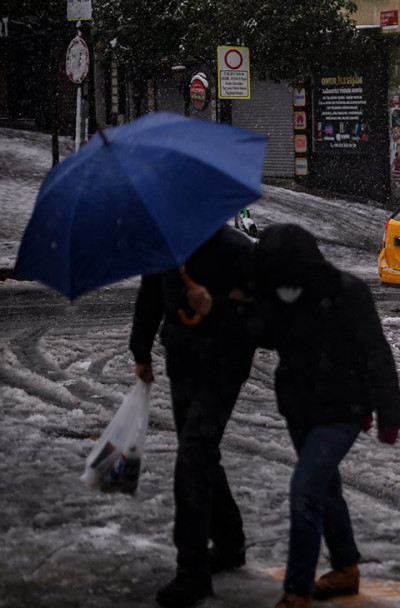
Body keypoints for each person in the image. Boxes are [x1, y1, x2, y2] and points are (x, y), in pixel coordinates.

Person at [251, 224, 400, 608]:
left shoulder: (349, 291)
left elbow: (377, 353)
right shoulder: (281, 293)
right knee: (325, 488)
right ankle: (346, 568)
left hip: (344, 409)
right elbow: (266, 336)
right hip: (299, 407)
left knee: (305, 490)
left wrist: (389, 413)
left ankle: (298, 590)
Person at [129, 226, 258, 607]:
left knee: (193, 457)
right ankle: (230, 543)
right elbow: (150, 295)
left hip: (223, 368)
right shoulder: (167, 246)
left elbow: (259, 315)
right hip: (182, 363)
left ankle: (192, 570)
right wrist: (141, 350)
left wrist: (215, 305)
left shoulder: (237, 250)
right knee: (200, 454)